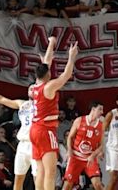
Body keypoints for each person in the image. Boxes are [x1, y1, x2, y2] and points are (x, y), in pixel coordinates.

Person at [30, 36, 79, 190]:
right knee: (51, 172)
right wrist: (71, 58)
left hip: (35, 129)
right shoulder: (49, 87)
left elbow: (46, 62)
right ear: (48, 75)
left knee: (41, 171)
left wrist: (51, 43)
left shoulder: (35, 86)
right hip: (46, 130)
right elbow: (66, 75)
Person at [0, 77, 36, 190]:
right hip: (22, 144)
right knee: (18, 178)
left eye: (34, 88)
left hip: (35, 144)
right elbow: (2, 99)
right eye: (30, 88)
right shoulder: (22, 103)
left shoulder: (43, 104)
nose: (32, 90)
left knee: (38, 179)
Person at [62, 101, 105, 190]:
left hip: (90, 159)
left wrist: (94, 155)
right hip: (76, 157)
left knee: (98, 185)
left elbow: (101, 145)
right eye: (100, 109)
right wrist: (69, 150)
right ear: (93, 109)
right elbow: (70, 137)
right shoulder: (79, 120)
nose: (102, 112)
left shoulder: (101, 125)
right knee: (67, 186)